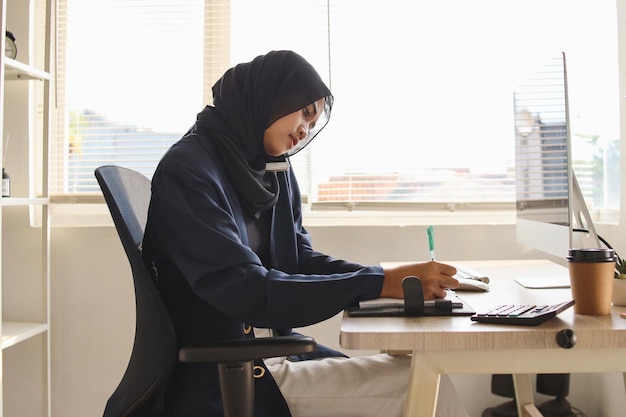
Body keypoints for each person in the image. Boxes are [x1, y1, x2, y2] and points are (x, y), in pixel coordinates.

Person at [142, 50, 468, 417]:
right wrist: (380, 283)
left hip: (276, 353)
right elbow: (246, 289)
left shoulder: (270, 169)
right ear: (269, 95)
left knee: (420, 374)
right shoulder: (188, 171)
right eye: (305, 113)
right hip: (229, 373)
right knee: (424, 385)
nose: (305, 129)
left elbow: (299, 261)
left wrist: (390, 279)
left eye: (314, 122)